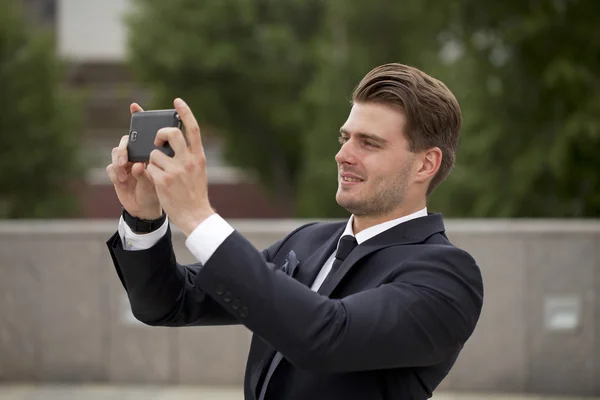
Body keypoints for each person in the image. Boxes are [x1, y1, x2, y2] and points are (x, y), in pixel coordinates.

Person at [105, 63, 484, 400]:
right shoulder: (307, 241)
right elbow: (167, 303)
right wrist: (145, 217)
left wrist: (197, 216)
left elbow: (326, 336)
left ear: (426, 164)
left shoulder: (447, 275)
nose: (343, 154)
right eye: (345, 137)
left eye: (368, 143)